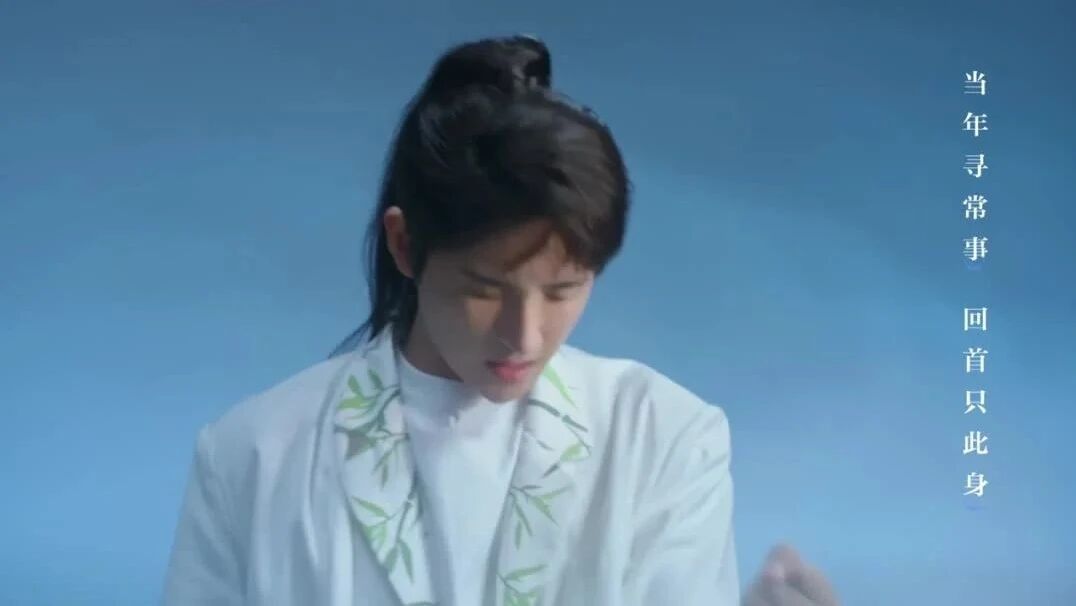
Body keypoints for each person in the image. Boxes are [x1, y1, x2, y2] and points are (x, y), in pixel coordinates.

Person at [162, 35, 838, 606]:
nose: (525, 335)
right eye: (485, 289)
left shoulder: (663, 436)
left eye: (563, 290)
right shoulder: (251, 456)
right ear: (404, 244)